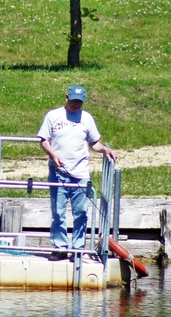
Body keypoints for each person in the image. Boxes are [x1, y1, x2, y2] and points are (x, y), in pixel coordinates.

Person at [37, 85, 116, 257]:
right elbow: (43, 140)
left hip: (80, 174)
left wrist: (105, 150)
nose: (76, 105)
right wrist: (53, 155)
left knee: (80, 212)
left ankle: (78, 247)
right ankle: (60, 247)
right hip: (58, 173)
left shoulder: (86, 118)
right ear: (66, 97)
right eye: (73, 101)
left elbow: (94, 143)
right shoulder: (53, 115)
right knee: (58, 212)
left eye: (79, 102)